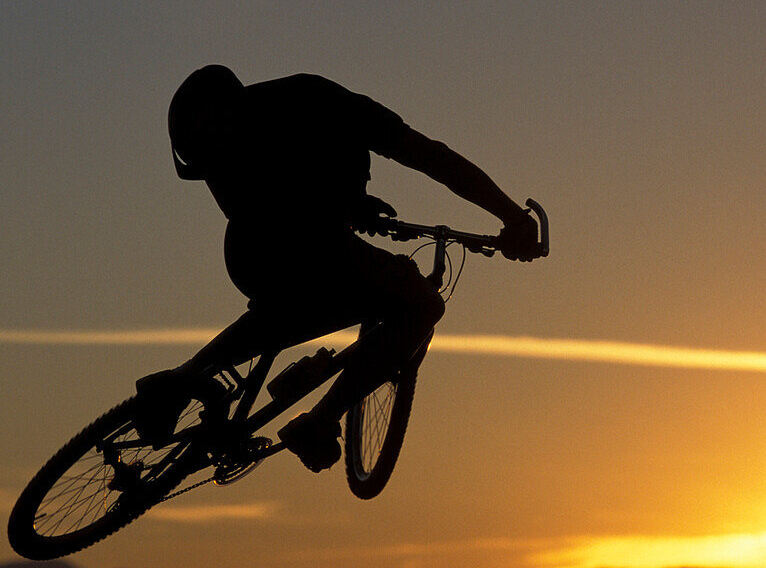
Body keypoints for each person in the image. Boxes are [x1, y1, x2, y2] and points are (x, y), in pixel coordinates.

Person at [136, 65, 540, 472]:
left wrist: (350, 204)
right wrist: (511, 216)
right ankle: (318, 422)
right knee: (421, 306)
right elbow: (431, 158)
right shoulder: (316, 103)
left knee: (280, 312)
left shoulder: (229, 128)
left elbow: (270, 193)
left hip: (250, 255)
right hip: (308, 247)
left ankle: (181, 379)